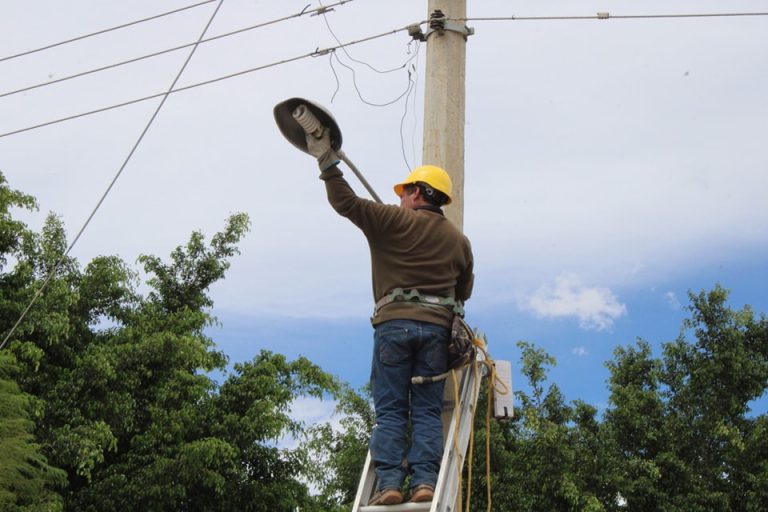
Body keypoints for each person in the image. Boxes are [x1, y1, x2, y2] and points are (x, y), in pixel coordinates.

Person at [305, 127, 474, 505]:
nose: (399, 200)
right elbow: (463, 291)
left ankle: (390, 485)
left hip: (393, 326)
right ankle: (426, 482)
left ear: (416, 193)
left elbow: (346, 202)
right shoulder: (459, 242)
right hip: (436, 332)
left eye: (403, 193)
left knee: (393, 409)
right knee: (428, 409)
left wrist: (327, 162)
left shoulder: (390, 223)